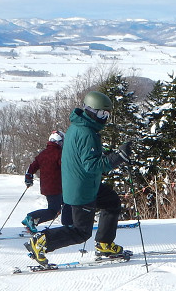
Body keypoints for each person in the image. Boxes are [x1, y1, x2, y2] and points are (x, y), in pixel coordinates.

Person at [25, 91, 132, 267]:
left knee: (111, 201)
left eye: (107, 114)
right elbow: (92, 165)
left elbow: (84, 157)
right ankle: (42, 242)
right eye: (101, 113)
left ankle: (104, 244)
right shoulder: (87, 133)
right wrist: (117, 158)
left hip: (85, 183)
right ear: (91, 110)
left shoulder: (79, 127)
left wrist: (108, 154)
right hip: (81, 189)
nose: (104, 118)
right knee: (81, 232)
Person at [21, 129, 71, 234]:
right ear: (59, 142)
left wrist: (28, 177)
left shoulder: (43, 153)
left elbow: (32, 167)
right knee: (54, 211)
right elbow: (66, 168)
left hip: (47, 187)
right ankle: (31, 218)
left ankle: (68, 223)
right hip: (56, 187)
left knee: (66, 203)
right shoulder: (59, 153)